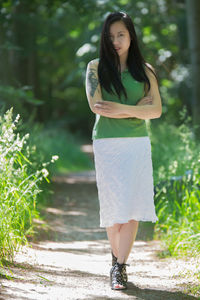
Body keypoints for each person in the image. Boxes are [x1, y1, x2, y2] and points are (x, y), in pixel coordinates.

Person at [85, 11, 162, 290]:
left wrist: (120, 109)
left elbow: (156, 110)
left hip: (137, 145)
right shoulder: (95, 68)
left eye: (121, 34)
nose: (115, 40)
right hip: (107, 144)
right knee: (113, 208)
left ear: (131, 36)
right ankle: (117, 262)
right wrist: (137, 110)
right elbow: (97, 106)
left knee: (132, 208)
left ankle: (118, 268)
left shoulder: (146, 70)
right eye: (110, 36)